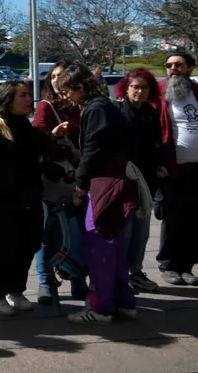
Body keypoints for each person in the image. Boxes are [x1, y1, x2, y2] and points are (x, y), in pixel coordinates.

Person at [0, 81, 75, 317]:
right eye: (23, 95)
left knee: (27, 245)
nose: (29, 99)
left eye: (28, 95)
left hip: (29, 197)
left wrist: (58, 145)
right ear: (9, 100)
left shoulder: (30, 129)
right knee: (0, 248)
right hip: (0, 197)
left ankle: (16, 290)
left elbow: (46, 151)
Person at [59, 63, 139, 324]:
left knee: (100, 247)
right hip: (116, 182)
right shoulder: (106, 106)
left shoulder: (95, 109)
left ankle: (102, 307)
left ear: (79, 87)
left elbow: (91, 151)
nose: (67, 97)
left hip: (104, 185)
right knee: (114, 248)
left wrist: (80, 186)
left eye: (68, 91)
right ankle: (124, 302)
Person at [31, 61, 87, 304]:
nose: (56, 81)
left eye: (61, 76)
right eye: (52, 77)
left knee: (78, 231)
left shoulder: (79, 106)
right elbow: (38, 140)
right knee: (46, 232)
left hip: (78, 176)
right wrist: (62, 146)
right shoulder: (45, 107)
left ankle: (77, 278)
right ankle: (45, 281)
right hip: (53, 177)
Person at [113, 69, 165, 293]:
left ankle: (135, 271)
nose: (139, 91)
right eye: (135, 86)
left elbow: (156, 145)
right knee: (124, 231)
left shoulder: (151, 114)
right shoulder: (116, 112)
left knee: (141, 231)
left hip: (146, 181)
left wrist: (159, 165)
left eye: (144, 88)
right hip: (122, 180)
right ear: (126, 88)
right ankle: (119, 275)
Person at [156, 49, 198, 286]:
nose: (173, 69)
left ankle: (187, 266)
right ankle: (169, 265)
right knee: (172, 218)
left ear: (189, 68)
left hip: (196, 168)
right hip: (171, 169)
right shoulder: (160, 94)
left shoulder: (196, 92)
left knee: (194, 219)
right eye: (170, 65)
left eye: (178, 65)